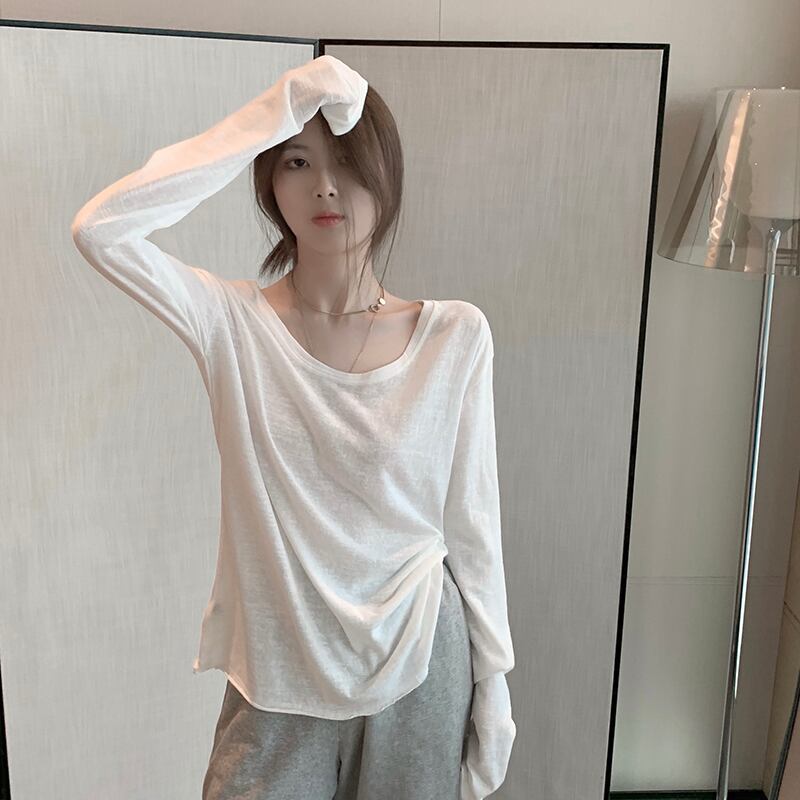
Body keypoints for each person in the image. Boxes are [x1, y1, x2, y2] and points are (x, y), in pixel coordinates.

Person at [70, 54, 515, 800]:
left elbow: (474, 524)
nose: (326, 186)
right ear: (269, 181)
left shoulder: (455, 336)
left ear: (387, 174)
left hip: (418, 659)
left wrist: (494, 678)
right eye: (298, 162)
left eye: (348, 161)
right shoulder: (228, 323)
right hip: (278, 675)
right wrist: (269, 114)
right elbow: (100, 230)